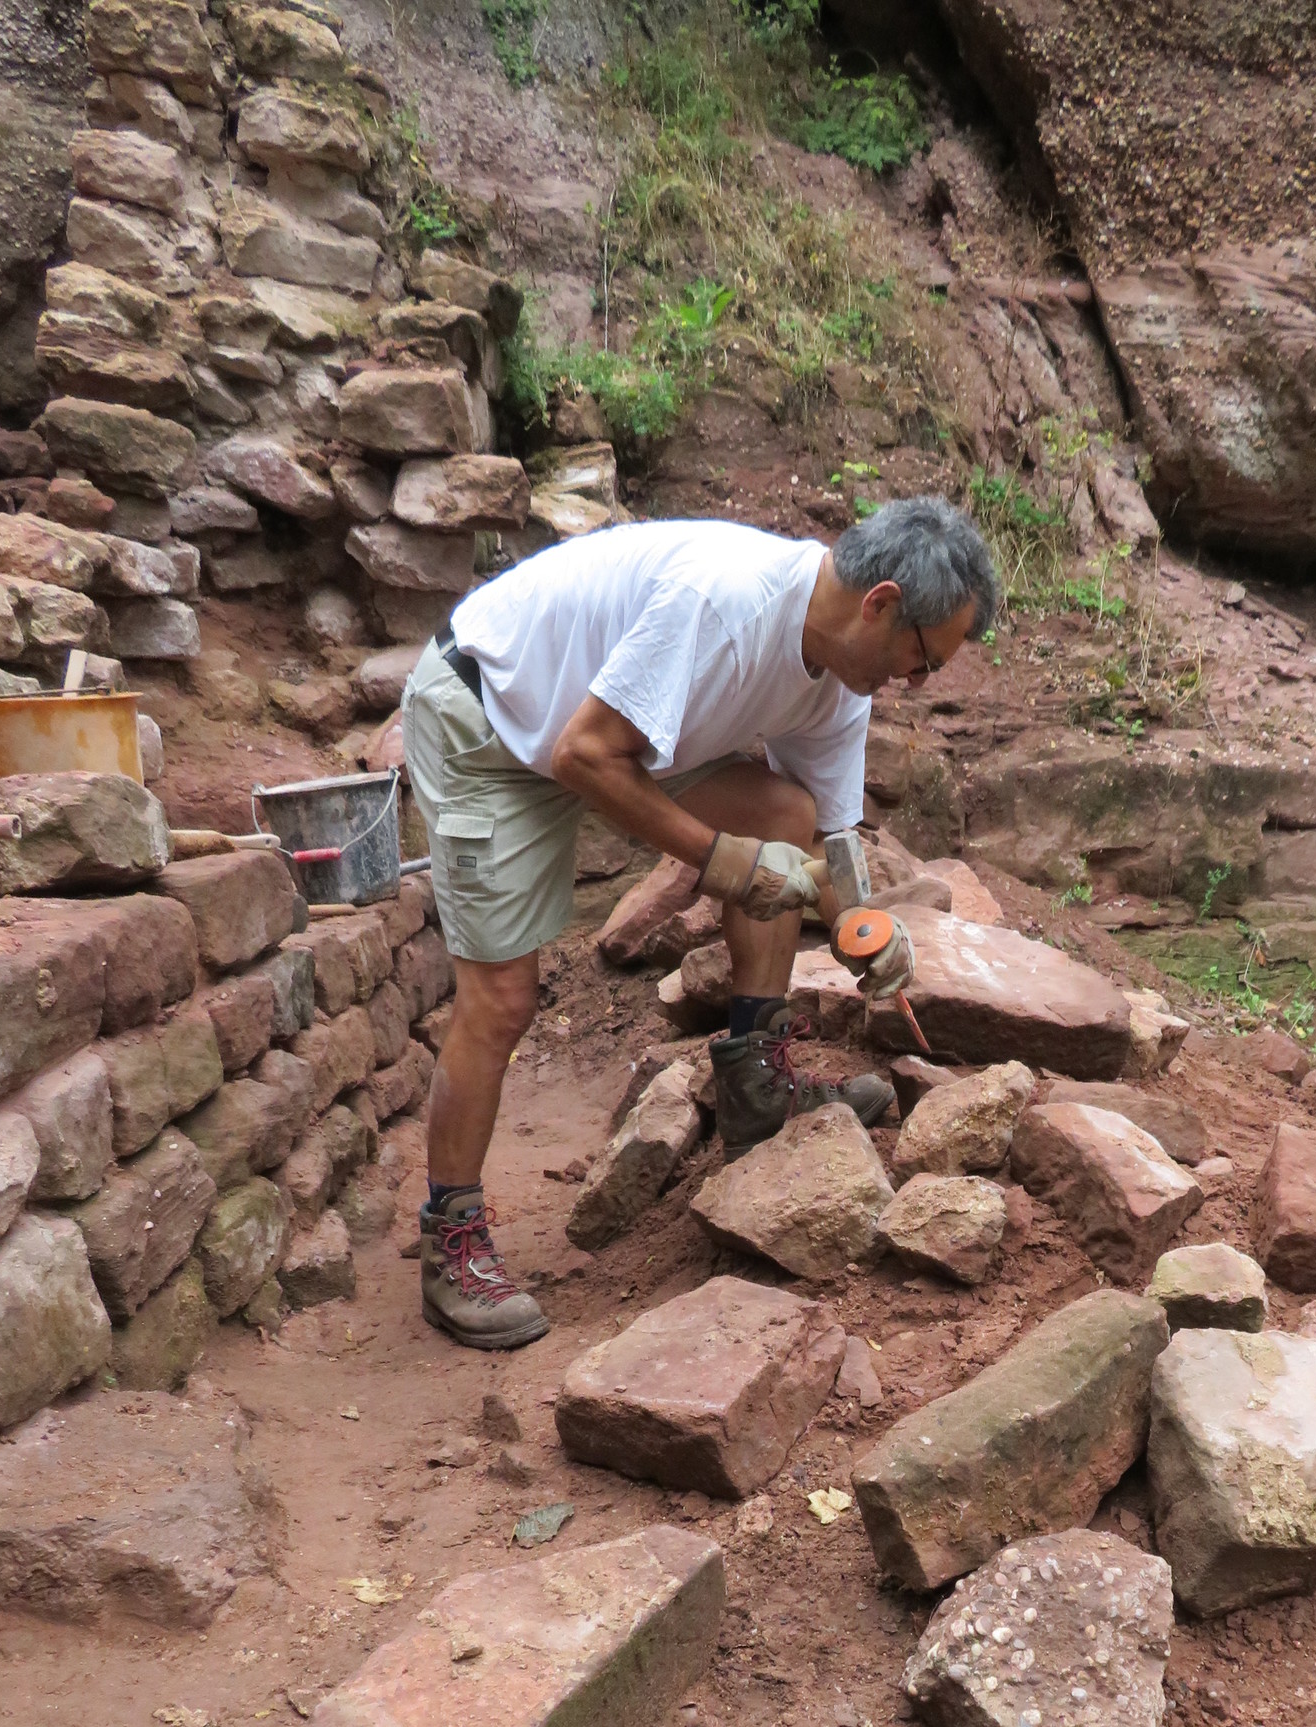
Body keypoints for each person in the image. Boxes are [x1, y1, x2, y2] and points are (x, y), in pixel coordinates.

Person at [399, 496, 1000, 1351]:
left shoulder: (842, 677)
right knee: (501, 999)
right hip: (492, 710)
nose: (918, 683)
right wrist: (725, 864)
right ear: (881, 604)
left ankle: (757, 1084)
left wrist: (863, 931)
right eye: (923, 659)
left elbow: (827, 841)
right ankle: (452, 1241)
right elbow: (582, 754)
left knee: (783, 816)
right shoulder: (727, 607)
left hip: (622, 732)